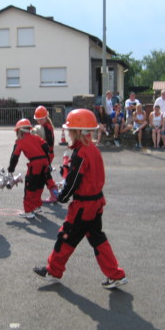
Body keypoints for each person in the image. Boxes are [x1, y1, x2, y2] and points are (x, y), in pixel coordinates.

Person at [33, 108, 128, 290]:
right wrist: (67, 170)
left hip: (84, 206)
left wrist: (62, 196)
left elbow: (74, 182)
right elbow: (82, 176)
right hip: (95, 202)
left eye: (69, 131)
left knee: (66, 237)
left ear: (77, 132)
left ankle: (53, 270)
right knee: (97, 238)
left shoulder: (81, 153)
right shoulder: (91, 149)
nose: (67, 134)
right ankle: (116, 274)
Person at [7, 118, 50, 219]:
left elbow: (14, 157)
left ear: (19, 131)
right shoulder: (36, 137)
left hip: (35, 164)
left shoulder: (20, 142)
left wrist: (11, 170)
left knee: (29, 187)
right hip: (44, 163)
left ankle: (28, 211)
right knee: (39, 185)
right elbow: (46, 147)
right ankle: (37, 206)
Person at [33, 105, 58, 203]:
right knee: (44, 175)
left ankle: (54, 194)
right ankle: (54, 194)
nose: (38, 121)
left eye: (40, 119)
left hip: (47, 155)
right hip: (47, 154)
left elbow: (49, 143)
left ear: (45, 118)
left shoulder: (46, 128)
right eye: (37, 119)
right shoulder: (46, 126)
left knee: (45, 175)